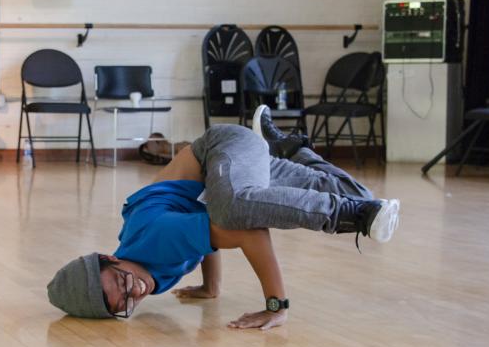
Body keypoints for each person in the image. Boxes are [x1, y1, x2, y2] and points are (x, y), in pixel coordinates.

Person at [47, 105, 400, 330]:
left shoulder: (152, 239)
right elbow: (201, 233)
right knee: (360, 194)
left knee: (235, 211)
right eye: (122, 306)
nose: (133, 293)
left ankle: (356, 216)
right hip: (233, 173)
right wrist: (210, 287)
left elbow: (249, 233)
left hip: (222, 149)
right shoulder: (144, 274)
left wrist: (275, 305)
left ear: (109, 259)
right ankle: (293, 149)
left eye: (121, 284)